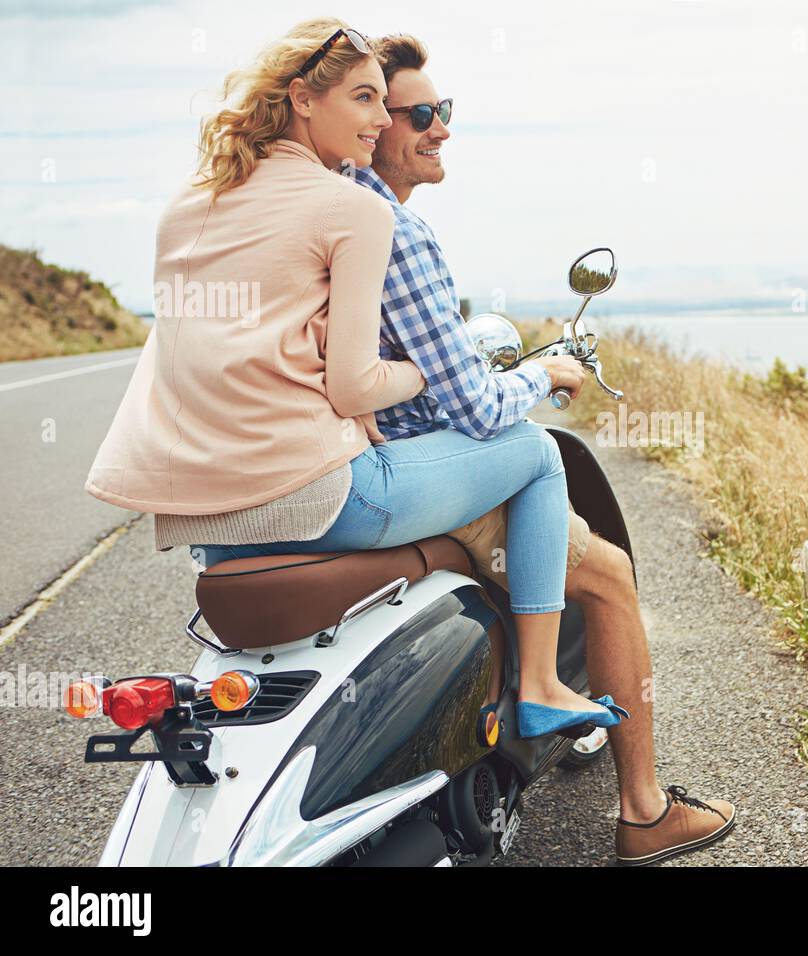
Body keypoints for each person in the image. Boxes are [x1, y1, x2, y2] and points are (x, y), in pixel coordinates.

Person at [82, 17, 623, 740]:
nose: (378, 119)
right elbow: (354, 388)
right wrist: (419, 370)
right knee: (535, 453)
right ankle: (546, 685)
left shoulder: (189, 207)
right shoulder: (356, 209)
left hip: (203, 522)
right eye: (366, 99)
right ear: (304, 99)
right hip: (319, 499)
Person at [356, 33, 737, 865]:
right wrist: (545, 373)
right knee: (608, 572)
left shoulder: (326, 215)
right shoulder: (393, 232)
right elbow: (473, 406)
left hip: (355, 455)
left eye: (444, 111)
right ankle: (641, 808)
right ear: (365, 121)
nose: (441, 127)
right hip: (421, 468)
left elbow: (400, 362)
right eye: (420, 113)